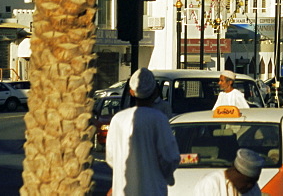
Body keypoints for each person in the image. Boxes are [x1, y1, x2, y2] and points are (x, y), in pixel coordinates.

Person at [106, 67, 180, 196]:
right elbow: (169, 157)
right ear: (154, 92)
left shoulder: (118, 119)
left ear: (131, 92)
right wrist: (167, 177)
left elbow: (111, 157)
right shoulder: (159, 118)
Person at [193, 148, 263, 196]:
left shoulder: (253, 189)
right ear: (235, 172)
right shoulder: (211, 183)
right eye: (248, 181)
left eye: (255, 181)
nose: (251, 186)